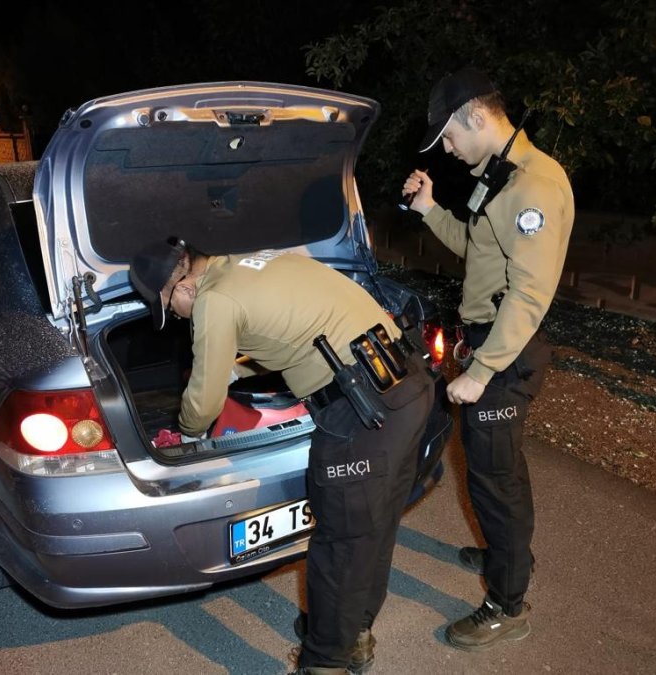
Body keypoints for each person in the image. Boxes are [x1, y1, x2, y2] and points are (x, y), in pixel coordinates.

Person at [130, 239, 436, 675]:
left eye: (170, 310)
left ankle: (324, 661)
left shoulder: (212, 301)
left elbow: (203, 401)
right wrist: (236, 366)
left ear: (179, 290)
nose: (178, 318)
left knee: (339, 543)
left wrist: (183, 437)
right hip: (407, 384)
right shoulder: (248, 261)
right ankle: (352, 633)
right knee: (373, 527)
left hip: (361, 412)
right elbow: (287, 334)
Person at [401, 66, 574, 651]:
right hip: (486, 342)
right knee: (496, 471)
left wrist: (480, 372)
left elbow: (530, 293)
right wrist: (430, 208)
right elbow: (476, 251)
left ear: (476, 116)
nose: (447, 150)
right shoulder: (493, 178)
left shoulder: (533, 186)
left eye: (449, 136)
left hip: (504, 353)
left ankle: (507, 602)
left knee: (494, 482)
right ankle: (508, 552)